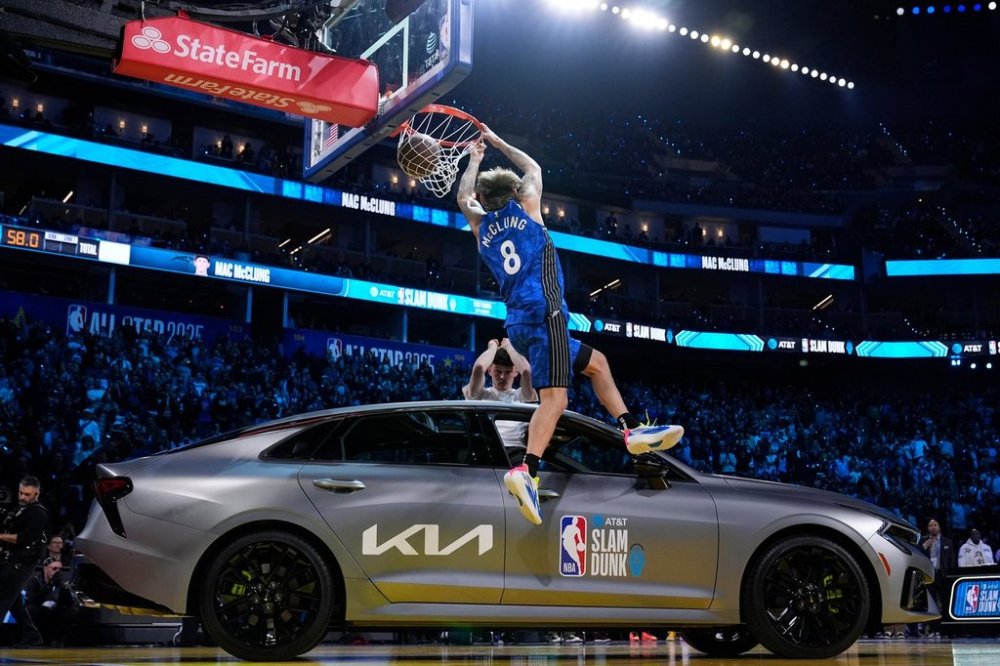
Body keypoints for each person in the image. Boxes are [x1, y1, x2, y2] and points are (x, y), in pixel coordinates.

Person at [457, 125, 683, 525]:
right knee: (555, 401)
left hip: (519, 325)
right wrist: (495, 142)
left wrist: (473, 161)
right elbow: (532, 165)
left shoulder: (481, 229)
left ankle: (631, 430)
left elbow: (462, 196)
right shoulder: (527, 208)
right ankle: (526, 470)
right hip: (547, 315)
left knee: (597, 363)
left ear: (484, 200)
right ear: (514, 194)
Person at [0, 476, 48, 647]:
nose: (22, 497)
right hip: (12, 558)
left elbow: (24, 538)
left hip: (24, 561)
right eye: (21, 493)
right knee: (13, 601)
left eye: (27, 494)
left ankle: (33, 636)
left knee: (4, 597)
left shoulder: (38, 512)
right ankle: (32, 635)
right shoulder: (19, 508)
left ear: (37, 492)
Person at [24, 558, 79, 646]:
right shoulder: (35, 581)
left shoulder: (61, 583)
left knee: (72, 612)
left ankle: (58, 639)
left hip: (55, 611)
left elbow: (69, 604)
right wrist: (49, 586)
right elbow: (32, 600)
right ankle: (37, 638)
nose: (58, 571)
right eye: (54, 569)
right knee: (31, 610)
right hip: (39, 610)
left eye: (60, 569)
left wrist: (63, 588)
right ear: (45, 568)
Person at [919, 518, 955, 637]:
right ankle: (933, 629)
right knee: (931, 603)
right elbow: (916, 555)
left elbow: (951, 561)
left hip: (942, 575)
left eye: (935, 525)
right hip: (929, 575)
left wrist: (950, 576)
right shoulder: (923, 540)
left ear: (939, 527)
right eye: (930, 525)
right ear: (928, 528)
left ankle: (944, 629)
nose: (933, 527)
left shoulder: (947, 542)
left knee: (945, 602)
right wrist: (924, 546)